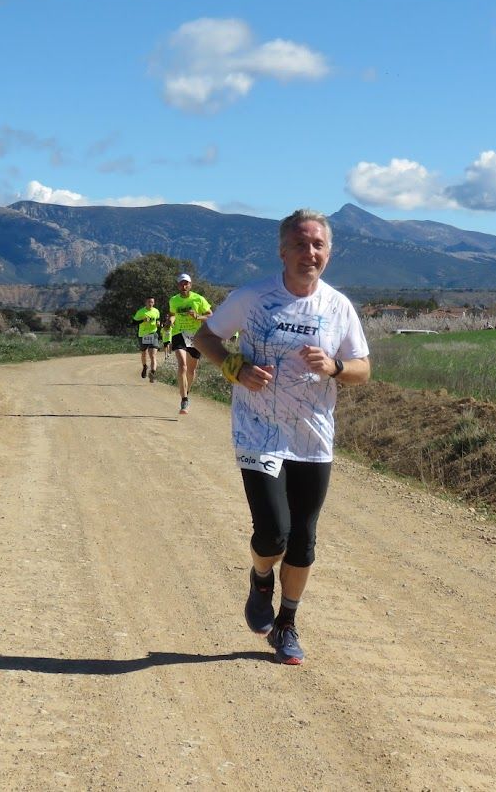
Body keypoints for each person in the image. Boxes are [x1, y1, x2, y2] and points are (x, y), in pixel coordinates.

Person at [193, 209, 370, 665]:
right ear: (282, 251)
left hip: (313, 437)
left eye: (318, 245)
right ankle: (260, 579)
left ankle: (286, 625)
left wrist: (334, 367)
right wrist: (236, 368)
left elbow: (362, 369)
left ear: (329, 252)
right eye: (299, 244)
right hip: (259, 431)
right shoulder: (252, 298)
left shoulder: (338, 307)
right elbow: (205, 337)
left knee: (304, 541)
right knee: (273, 533)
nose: (309, 253)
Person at [168, 273, 213, 415]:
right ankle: (184, 399)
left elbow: (210, 315)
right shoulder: (173, 300)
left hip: (195, 336)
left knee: (191, 371)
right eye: (181, 283)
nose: (184, 286)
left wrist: (198, 316)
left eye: (186, 283)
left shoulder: (199, 299)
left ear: (190, 285)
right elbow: (172, 314)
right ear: (178, 285)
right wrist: (170, 321)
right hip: (179, 333)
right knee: (182, 365)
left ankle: (186, 391)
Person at [132, 297, 161, 382]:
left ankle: (152, 373)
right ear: (145, 303)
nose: (150, 303)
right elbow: (133, 323)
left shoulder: (156, 311)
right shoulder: (141, 312)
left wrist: (158, 323)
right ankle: (145, 367)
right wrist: (142, 320)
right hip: (143, 335)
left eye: (152, 302)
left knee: (153, 355)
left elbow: (158, 319)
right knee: (144, 354)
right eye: (149, 302)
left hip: (153, 334)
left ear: (154, 303)